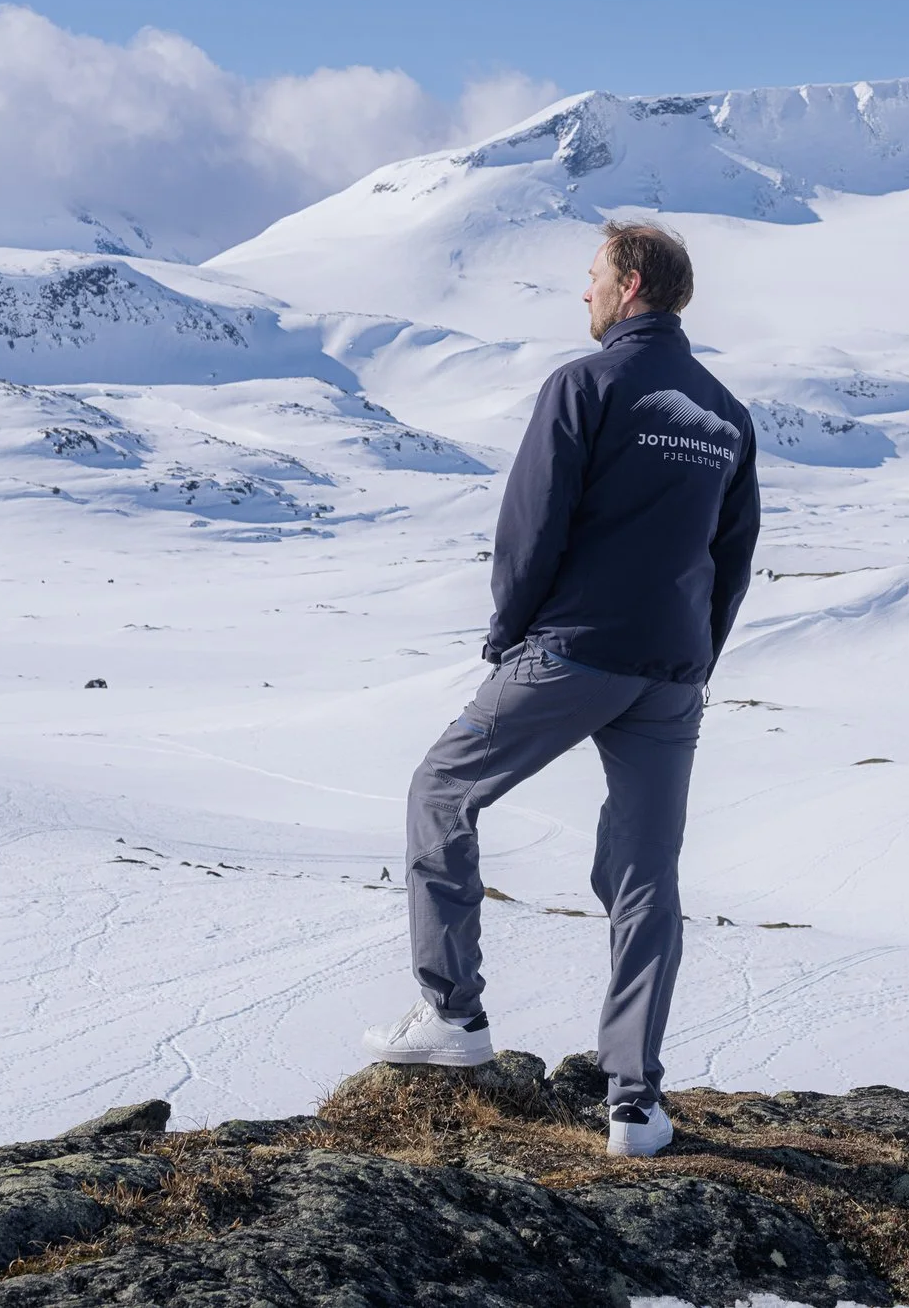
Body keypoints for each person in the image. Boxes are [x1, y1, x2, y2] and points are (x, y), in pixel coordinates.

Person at [362, 221, 760, 1158]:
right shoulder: (727, 413)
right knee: (645, 874)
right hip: (671, 670)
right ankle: (635, 1105)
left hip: (575, 652)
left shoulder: (585, 385)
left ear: (630, 284)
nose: (584, 293)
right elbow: (733, 556)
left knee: (441, 789)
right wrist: (694, 657)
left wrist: (509, 632)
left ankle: (453, 1014)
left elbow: (532, 523)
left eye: (592, 277)